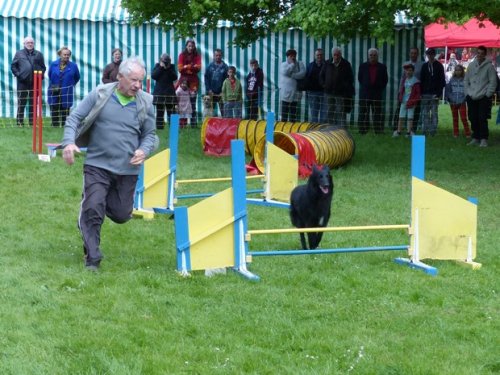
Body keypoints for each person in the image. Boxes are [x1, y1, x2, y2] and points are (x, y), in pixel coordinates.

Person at [61, 57, 157, 270]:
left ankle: (91, 208)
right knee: (93, 210)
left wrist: (144, 149)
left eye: (140, 81)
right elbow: (74, 118)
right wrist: (68, 143)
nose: (137, 86)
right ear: (119, 77)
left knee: (122, 214)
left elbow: (150, 135)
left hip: (127, 170)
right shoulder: (101, 94)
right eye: (133, 80)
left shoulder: (145, 103)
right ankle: (93, 258)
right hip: (97, 165)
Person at [464, 45, 497, 147]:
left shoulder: (489, 67)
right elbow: (466, 80)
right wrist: (467, 93)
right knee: (472, 117)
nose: (479, 55)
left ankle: (484, 139)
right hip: (471, 95)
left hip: (483, 96)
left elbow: (493, 82)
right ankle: (475, 137)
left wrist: (488, 94)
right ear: (476, 53)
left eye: (482, 54)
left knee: (482, 118)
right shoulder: (471, 65)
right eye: (478, 53)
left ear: (485, 55)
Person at [10, 36, 46, 127]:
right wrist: (19, 75)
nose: (30, 44)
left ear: (34, 43)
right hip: (22, 82)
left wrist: (40, 76)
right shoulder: (19, 54)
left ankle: (32, 122)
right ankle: (19, 122)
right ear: (24, 44)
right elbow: (13, 66)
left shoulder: (39, 54)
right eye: (28, 42)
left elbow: (43, 67)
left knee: (33, 103)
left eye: (31, 42)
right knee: (21, 102)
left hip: (35, 83)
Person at [319, 47, 355, 127]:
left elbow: (350, 78)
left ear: (341, 55)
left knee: (341, 111)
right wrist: (324, 85)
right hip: (328, 92)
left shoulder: (346, 64)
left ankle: (342, 129)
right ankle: (330, 128)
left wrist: (344, 87)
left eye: (338, 55)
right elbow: (321, 76)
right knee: (329, 111)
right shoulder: (327, 63)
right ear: (332, 55)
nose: (336, 57)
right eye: (334, 55)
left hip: (341, 93)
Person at [357, 48, 388, 134]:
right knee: (363, 113)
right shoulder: (362, 66)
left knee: (377, 113)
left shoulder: (382, 67)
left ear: (377, 56)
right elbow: (360, 78)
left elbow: (385, 80)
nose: (372, 57)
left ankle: (378, 131)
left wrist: (379, 89)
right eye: (371, 55)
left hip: (377, 94)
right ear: (368, 56)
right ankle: (363, 130)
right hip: (365, 93)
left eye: (374, 55)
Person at [47, 46, 80, 127]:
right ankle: (55, 124)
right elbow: (50, 75)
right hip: (55, 88)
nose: (66, 56)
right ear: (60, 55)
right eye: (64, 54)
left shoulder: (73, 66)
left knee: (65, 107)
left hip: (66, 89)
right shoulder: (53, 64)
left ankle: (64, 124)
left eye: (68, 55)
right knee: (54, 106)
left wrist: (70, 84)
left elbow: (77, 77)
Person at [393, 47, 424, 132]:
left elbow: (423, 78)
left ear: (418, 54)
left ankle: (411, 130)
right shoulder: (405, 64)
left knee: (414, 113)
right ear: (409, 54)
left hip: (415, 93)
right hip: (405, 93)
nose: (413, 55)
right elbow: (402, 78)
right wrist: (400, 92)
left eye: (415, 53)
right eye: (412, 53)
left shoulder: (422, 64)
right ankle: (397, 130)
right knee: (400, 112)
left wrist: (419, 93)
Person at [420, 48, 446, 136]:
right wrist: (421, 93)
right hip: (425, 94)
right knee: (425, 113)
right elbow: (421, 80)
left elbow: (442, 81)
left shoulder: (439, 66)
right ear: (426, 55)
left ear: (434, 55)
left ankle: (433, 131)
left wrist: (438, 94)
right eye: (428, 54)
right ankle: (424, 130)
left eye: (431, 54)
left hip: (435, 94)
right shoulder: (424, 66)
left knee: (434, 113)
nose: (430, 56)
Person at [177, 39, 201, 127]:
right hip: (183, 82)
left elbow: (198, 68)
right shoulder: (182, 55)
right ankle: (182, 124)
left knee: (193, 102)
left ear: (194, 47)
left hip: (194, 83)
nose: (190, 48)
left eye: (192, 46)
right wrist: (191, 66)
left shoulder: (197, 56)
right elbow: (180, 69)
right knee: (182, 102)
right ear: (186, 46)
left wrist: (186, 67)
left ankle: (193, 124)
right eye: (189, 46)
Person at [393, 64, 420, 137]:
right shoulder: (404, 80)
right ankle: (398, 131)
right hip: (404, 101)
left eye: (410, 70)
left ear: (413, 71)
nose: (408, 72)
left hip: (411, 102)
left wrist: (414, 101)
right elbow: (402, 89)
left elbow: (418, 94)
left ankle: (409, 132)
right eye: (407, 70)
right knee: (401, 116)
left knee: (410, 117)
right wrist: (400, 97)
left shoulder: (415, 81)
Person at [279, 49, 306, 122]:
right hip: (285, 94)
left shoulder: (300, 63)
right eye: (291, 56)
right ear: (287, 57)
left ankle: (292, 130)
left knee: (293, 114)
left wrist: (293, 75)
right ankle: (283, 130)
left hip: (296, 93)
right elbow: (285, 72)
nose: (293, 57)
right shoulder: (283, 64)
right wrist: (292, 64)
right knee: (284, 113)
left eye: (294, 56)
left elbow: (302, 74)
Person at [151, 53, 177, 129]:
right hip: (160, 93)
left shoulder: (171, 67)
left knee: (172, 112)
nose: (166, 62)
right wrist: (161, 68)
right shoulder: (157, 66)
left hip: (169, 93)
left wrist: (168, 68)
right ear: (160, 60)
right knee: (159, 112)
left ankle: (173, 128)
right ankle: (159, 128)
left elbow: (174, 77)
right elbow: (154, 76)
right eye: (164, 61)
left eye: (167, 61)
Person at [445, 65, 471, 138]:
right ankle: (456, 133)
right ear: (454, 71)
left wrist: (464, 99)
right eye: (456, 70)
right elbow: (448, 90)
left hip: (462, 102)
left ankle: (468, 133)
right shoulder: (451, 80)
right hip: (453, 102)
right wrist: (451, 98)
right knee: (455, 118)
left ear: (462, 71)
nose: (458, 72)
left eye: (459, 70)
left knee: (463, 118)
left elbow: (467, 91)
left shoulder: (465, 80)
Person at [204, 48, 228, 117]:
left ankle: (225, 125)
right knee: (209, 111)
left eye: (219, 55)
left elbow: (227, 80)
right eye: (216, 55)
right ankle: (210, 126)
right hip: (211, 92)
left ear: (222, 56)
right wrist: (208, 89)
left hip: (221, 93)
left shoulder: (225, 67)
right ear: (214, 56)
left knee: (224, 111)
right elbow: (206, 79)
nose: (218, 57)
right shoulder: (209, 66)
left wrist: (223, 91)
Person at [305, 48, 326, 123]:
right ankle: (314, 130)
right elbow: (306, 78)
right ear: (315, 56)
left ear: (323, 56)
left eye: (320, 55)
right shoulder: (310, 65)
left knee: (324, 113)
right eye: (318, 55)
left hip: (324, 92)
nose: (319, 56)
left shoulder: (327, 65)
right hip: (312, 92)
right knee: (314, 113)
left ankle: (322, 130)